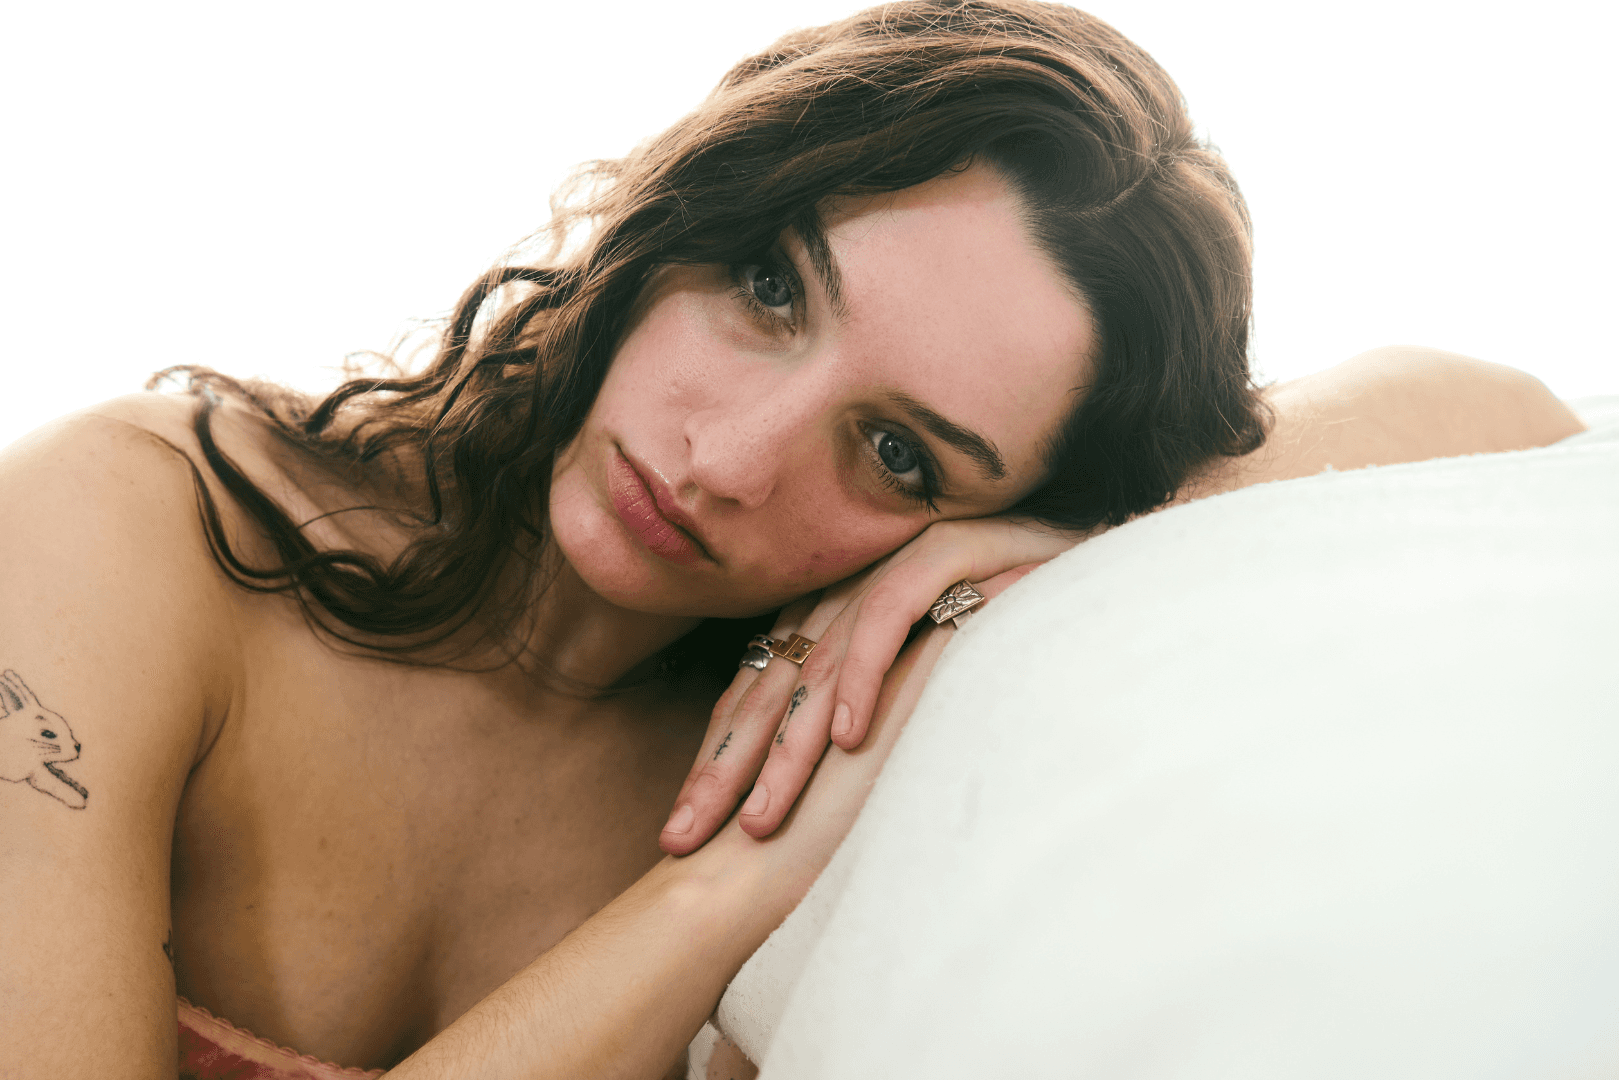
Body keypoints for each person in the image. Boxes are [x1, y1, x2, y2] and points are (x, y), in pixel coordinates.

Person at [0, 2, 1581, 1078]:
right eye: (769, 289)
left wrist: (1063, 543)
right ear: (690, 201)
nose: (727, 459)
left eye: (896, 453)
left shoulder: (838, 735)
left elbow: (1501, 412)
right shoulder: (137, 527)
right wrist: (712, 901)